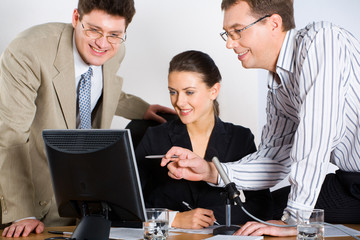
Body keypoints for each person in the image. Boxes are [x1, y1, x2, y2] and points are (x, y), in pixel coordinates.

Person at [161, 0, 360, 237]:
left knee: (287, 217)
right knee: (264, 210)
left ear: (274, 23)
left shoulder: (323, 41)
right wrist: (210, 171)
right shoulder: (278, 86)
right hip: (349, 182)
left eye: (237, 31)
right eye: (227, 33)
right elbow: (275, 159)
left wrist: (294, 220)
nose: (229, 43)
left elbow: (317, 134)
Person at [0, 0, 175, 237]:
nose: (102, 43)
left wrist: (141, 108)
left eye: (114, 34)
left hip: (81, 204)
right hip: (26, 201)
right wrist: (22, 213)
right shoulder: (28, 51)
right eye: (94, 30)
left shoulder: (115, 50)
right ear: (75, 18)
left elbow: (97, 87)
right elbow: (10, 134)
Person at [136, 50, 272, 229]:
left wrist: (213, 218)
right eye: (173, 92)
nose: (179, 102)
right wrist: (174, 219)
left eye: (189, 92)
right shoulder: (155, 137)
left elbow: (263, 207)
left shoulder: (240, 138)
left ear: (213, 91)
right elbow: (127, 204)